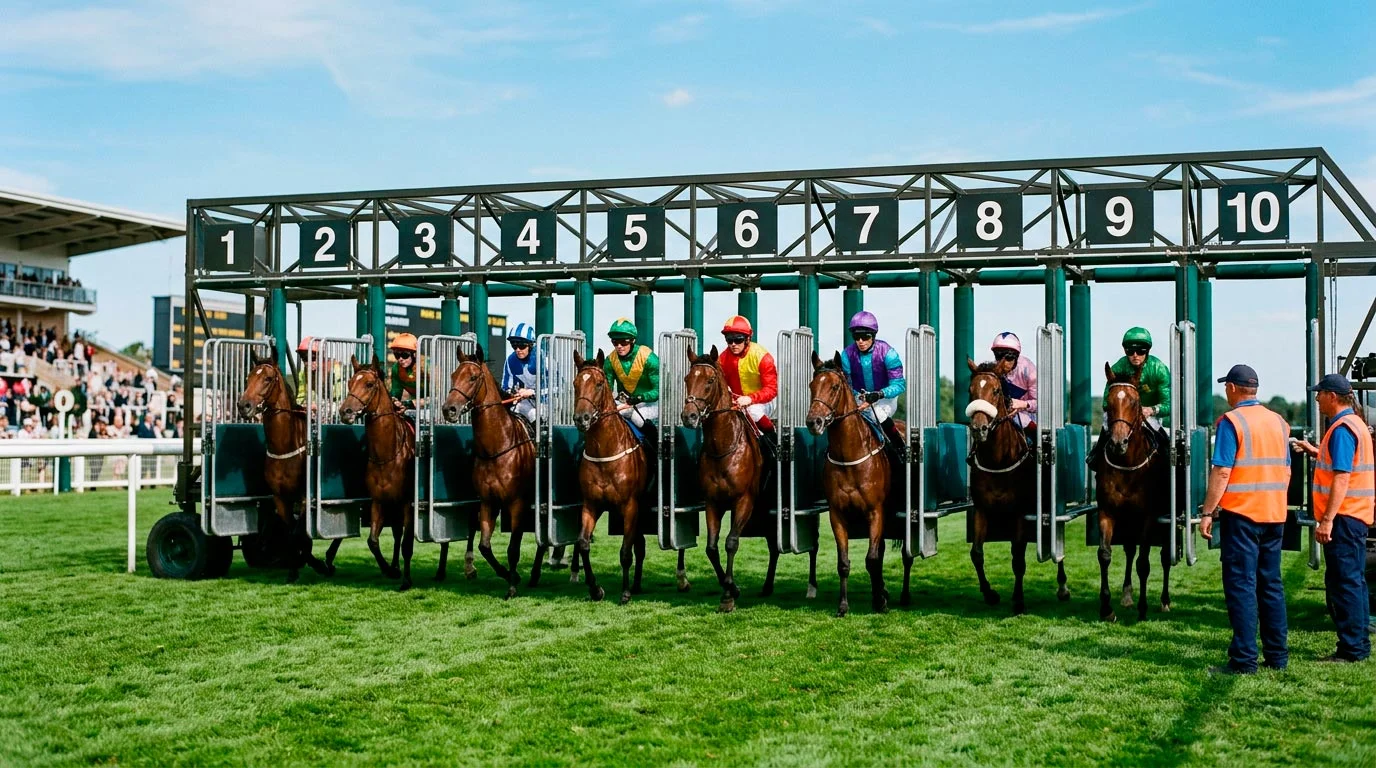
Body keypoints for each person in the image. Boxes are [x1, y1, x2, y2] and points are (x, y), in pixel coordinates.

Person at [1200, 364, 1291, 674]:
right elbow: (1286, 469)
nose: (1225, 391)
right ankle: (1277, 657)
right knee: (1271, 585)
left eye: (1227, 386)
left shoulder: (1232, 422)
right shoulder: (1279, 422)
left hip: (1242, 516)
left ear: (1235, 389)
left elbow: (1222, 470)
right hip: (1275, 514)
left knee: (1241, 586)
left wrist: (1208, 511)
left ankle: (1243, 661)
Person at [1291, 374, 1372, 663]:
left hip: (1344, 518)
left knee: (1344, 582)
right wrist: (1315, 451)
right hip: (1356, 516)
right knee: (1354, 581)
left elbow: (1341, 477)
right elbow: (1342, 465)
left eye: (1320, 393)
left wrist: (1327, 520)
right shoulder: (1353, 425)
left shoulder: (1341, 429)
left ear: (1333, 397)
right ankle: (1358, 643)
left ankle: (1352, 649)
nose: (1316, 399)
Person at [1090, 327, 1171, 465]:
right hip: (1121, 413)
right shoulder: (1117, 368)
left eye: (1140, 351)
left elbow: (1169, 404)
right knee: (1105, 429)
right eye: (1130, 351)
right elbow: (1106, 400)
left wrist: (1151, 410)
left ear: (1147, 351)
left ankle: (1169, 463)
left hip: (1150, 415)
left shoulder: (1159, 369)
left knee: (1164, 440)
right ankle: (1096, 457)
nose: (1135, 355)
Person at [839, 311, 906, 451]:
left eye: (865, 337)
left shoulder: (888, 353)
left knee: (878, 415)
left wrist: (877, 395)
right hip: (859, 396)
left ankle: (900, 450)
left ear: (873, 336)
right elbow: (847, 384)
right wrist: (860, 396)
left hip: (885, 398)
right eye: (856, 337)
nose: (860, 341)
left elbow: (899, 384)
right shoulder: (846, 355)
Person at [717, 316, 778, 448]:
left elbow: (771, 390)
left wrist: (750, 399)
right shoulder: (722, 359)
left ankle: (773, 441)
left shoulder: (763, 357)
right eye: (729, 340)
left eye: (738, 340)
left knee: (752, 411)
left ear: (747, 339)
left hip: (763, 401)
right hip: (736, 401)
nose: (733, 344)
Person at [603, 318, 659, 431]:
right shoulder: (610, 360)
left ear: (632, 340)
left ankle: (653, 447)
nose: (619, 346)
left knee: (637, 418)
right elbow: (607, 389)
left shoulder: (649, 358)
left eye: (623, 342)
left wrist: (640, 398)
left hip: (648, 404)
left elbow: (658, 390)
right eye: (615, 342)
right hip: (625, 403)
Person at [989, 332, 1038, 441]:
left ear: (1016, 357)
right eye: (999, 356)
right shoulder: (993, 372)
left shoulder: (1029, 371)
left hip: (1029, 415)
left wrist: (1021, 404)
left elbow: (1040, 404)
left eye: (1009, 358)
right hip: (1001, 415)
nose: (1003, 362)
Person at [500, 323, 539, 425]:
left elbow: (557, 387)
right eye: (514, 345)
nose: (517, 349)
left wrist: (532, 392)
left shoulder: (542, 358)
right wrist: (513, 392)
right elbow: (505, 387)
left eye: (521, 345)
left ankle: (541, 440)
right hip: (523, 402)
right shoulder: (510, 360)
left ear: (530, 345)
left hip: (545, 403)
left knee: (533, 414)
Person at [387, 333, 420, 410]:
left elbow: (436, 397)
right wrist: (394, 401)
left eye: (405, 355)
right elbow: (396, 393)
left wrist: (408, 404)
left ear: (414, 355)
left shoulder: (426, 367)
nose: (400, 359)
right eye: (397, 355)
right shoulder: (396, 368)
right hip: (413, 405)